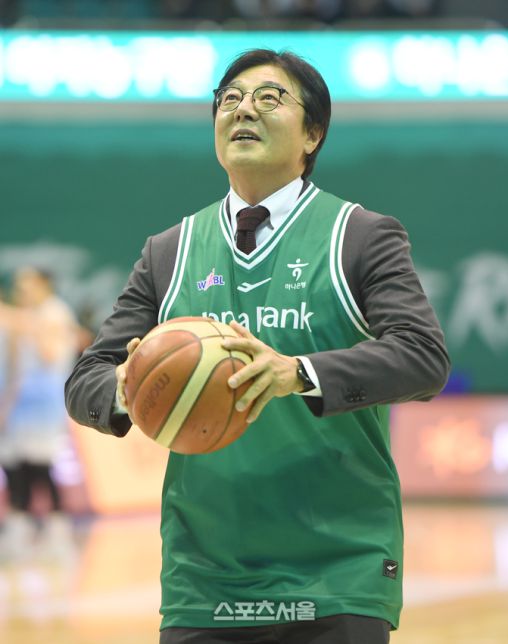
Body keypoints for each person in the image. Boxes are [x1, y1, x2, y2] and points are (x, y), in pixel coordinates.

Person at [65, 49, 450, 644]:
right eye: (231, 99)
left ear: (312, 134)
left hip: (337, 568)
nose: (244, 109)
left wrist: (297, 372)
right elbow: (85, 380)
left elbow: (423, 357)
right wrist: (127, 385)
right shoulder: (169, 250)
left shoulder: (360, 236)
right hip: (204, 575)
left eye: (269, 98)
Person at [0, 268, 79, 554]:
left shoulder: (55, 312)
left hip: (46, 400)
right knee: (15, 461)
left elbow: (50, 354)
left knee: (42, 463)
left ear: (43, 285)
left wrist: (27, 326)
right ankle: (20, 520)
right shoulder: (28, 317)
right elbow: (15, 365)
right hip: (22, 401)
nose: (22, 291)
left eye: (27, 285)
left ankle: (57, 521)